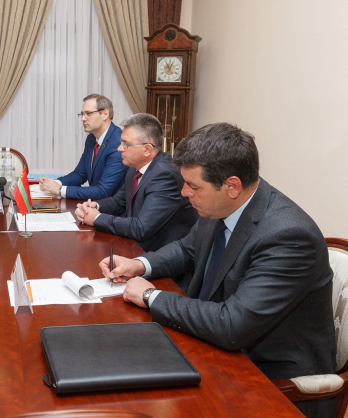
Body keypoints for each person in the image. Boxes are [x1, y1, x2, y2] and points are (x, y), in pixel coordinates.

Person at [100, 123, 335, 418]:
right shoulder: (220, 204)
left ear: (232, 186)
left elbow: (232, 325)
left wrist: (151, 296)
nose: (184, 192)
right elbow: (187, 249)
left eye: (193, 186)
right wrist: (140, 264)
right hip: (214, 348)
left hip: (268, 377)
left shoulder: (289, 236)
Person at [75, 113, 198, 252]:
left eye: (126, 144)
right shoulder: (135, 166)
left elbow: (141, 228)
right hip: (133, 244)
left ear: (147, 149)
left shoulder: (165, 175)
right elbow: (119, 202)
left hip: (158, 254)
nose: (119, 148)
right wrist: (94, 206)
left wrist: (97, 218)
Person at [39, 94, 126, 200]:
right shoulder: (91, 138)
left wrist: (60, 190)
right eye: (82, 114)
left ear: (105, 114)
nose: (83, 119)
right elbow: (80, 174)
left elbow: (103, 191)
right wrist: (55, 183)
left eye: (88, 113)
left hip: (112, 207)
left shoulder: (118, 143)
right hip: (93, 204)